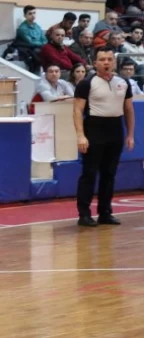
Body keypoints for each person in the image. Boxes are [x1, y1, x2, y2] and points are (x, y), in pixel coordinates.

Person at [74, 45, 135, 227]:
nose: (106, 63)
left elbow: (129, 110)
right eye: (102, 60)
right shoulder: (86, 83)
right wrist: (81, 135)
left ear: (114, 62)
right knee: (89, 173)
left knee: (109, 173)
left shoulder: (123, 83)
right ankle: (84, 214)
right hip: (94, 128)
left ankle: (105, 212)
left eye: (109, 59)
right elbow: (77, 110)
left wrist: (130, 134)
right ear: (95, 63)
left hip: (115, 129)